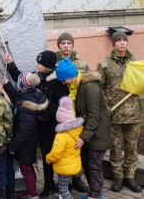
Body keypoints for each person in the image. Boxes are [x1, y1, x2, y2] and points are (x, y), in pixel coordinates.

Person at [4, 51, 69, 197]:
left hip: (50, 127)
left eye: (39, 63)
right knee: (42, 157)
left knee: (50, 157)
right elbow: (22, 79)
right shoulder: (37, 76)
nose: (36, 65)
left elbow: (61, 105)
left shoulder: (58, 82)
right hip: (35, 126)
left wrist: (44, 116)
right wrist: (11, 64)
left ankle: (54, 184)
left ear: (46, 66)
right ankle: (47, 184)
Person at [55, 58, 111, 199]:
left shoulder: (90, 88)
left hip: (97, 134)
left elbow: (93, 115)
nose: (63, 83)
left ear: (71, 75)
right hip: (89, 133)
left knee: (94, 167)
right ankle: (93, 193)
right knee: (87, 165)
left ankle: (96, 195)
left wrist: (83, 137)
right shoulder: (77, 87)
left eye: (64, 79)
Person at [96, 31, 142, 193]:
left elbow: (143, 82)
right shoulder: (105, 64)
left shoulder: (136, 62)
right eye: (119, 40)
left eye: (124, 40)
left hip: (133, 113)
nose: (122, 43)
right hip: (114, 114)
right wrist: (104, 107)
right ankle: (118, 177)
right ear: (113, 43)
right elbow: (99, 88)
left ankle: (130, 176)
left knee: (131, 147)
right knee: (115, 148)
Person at [3, 72, 48, 199]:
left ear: (22, 85)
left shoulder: (26, 106)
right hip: (28, 141)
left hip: (25, 143)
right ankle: (31, 192)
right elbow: (16, 98)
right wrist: (7, 85)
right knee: (27, 167)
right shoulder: (30, 96)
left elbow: (24, 131)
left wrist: (13, 146)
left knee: (26, 168)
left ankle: (32, 195)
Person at [56, 32, 90, 192]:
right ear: (59, 46)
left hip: (78, 110)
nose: (66, 46)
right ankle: (63, 181)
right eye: (63, 43)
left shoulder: (82, 63)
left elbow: (88, 82)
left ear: (72, 45)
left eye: (69, 43)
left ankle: (77, 178)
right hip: (61, 113)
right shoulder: (54, 63)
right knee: (63, 147)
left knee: (77, 147)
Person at [46, 97, 84, 199]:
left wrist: (48, 158)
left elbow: (56, 153)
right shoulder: (76, 131)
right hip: (73, 165)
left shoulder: (61, 136)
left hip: (64, 167)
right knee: (65, 186)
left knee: (63, 189)